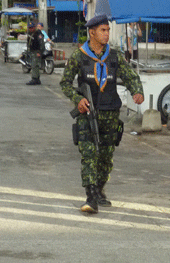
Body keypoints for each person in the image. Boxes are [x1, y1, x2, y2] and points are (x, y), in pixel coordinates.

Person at [60, 14, 144, 214]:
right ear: (92, 33)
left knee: (106, 156)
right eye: (103, 30)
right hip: (87, 115)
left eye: (108, 30)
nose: (107, 34)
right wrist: (77, 99)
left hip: (110, 114)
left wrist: (136, 91)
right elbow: (64, 83)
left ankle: (99, 189)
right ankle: (90, 197)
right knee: (88, 155)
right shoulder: (79, 56)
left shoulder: (114, 56)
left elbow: (130, 75)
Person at [26, 20, 45, 85]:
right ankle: (37, 79)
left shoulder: (38, 33)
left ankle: (34, 79)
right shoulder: (31, 33)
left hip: (37, 51)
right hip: (32, 51)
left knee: (35, 65)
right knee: (34, 65)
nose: (30, 29)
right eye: (29, 27)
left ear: (34, 27)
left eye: (32, 27)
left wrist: (40, 52)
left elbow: (41, 44)